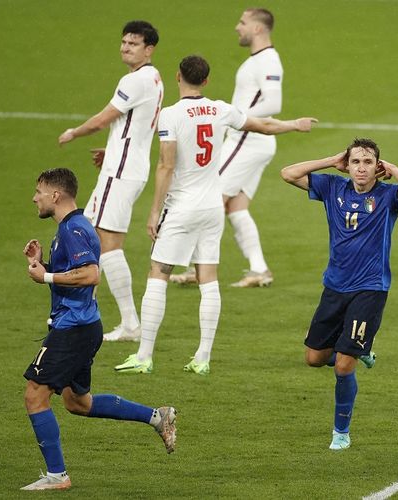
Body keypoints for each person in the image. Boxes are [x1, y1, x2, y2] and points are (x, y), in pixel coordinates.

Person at [114, 55, 316, 375]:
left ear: (177, 76)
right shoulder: (221, 109)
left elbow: (166, 165)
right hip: (212, 208)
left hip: (181, 206)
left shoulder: (170, 115)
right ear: (206, 81)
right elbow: (260, 125)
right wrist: (294, 124)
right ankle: (203, 357)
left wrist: (154, 210)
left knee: (159, 272)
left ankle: (144, 355)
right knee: (208, 278)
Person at [20, 168, 177, 491]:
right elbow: (73, 272)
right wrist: (43, 265)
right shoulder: (70, 227)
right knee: (78, 403)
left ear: (56, 195)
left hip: (73, 329)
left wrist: (46, 278)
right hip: (84, 325)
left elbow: (90, 275)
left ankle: (57, 475)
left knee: (35, 396)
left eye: (39, 191)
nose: (34, 197)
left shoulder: (74, 229)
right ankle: (157, 416)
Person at [280, 138, 398, 449]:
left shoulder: (387, 196)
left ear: (377, 167)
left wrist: (394, 169)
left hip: (370, 289)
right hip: (334, 286)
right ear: (348, 164)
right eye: (355, 161)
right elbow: (288, 173)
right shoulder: (333, 187)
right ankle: (360, 349)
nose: (361, 168)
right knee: (314, 358)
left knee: (344, 365)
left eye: (368, 163)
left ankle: (340, 433)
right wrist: (331, 160)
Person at [58, 20, 163, 342]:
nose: (125, 48)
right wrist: (114, 147)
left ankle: (130, 324)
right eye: (123, 42)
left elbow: (105, 117)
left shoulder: (135, 81)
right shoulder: (153, 77)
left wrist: (75, 132)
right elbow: (136, 124)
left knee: (107, 244)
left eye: (133, 43)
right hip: (127, 164)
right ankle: (88, 311)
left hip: (122, 171)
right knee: (93, 235)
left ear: (149, 49)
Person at [170, 8, 284, 288]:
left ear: (258, 29)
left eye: (243, 23)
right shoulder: (260, 60)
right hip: (257, 142)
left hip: (247, 140)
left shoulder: (267, 60)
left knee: (209, 198)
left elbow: (274, 103)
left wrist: (237, 118)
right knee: (236, 206)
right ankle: (259, 270)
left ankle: (198, 270)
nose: (237, 27)